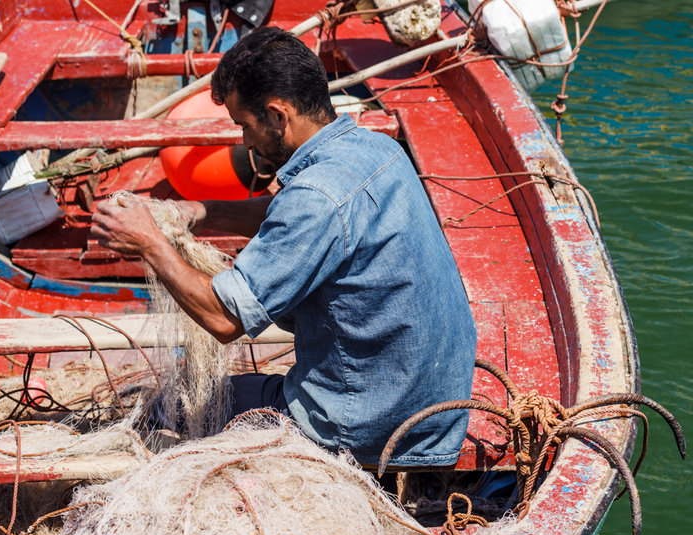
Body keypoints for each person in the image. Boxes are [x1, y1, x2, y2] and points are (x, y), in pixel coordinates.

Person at [90, 27, 476, 468]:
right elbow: (289, 212)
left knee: (176, 404)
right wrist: (201, 211)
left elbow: (222, 318)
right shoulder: (376, 148)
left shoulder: (315, 198)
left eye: (245, 126)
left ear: (277, 116)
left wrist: (150, 242)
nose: (245, 143)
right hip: (435, 412)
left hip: (366, 426)